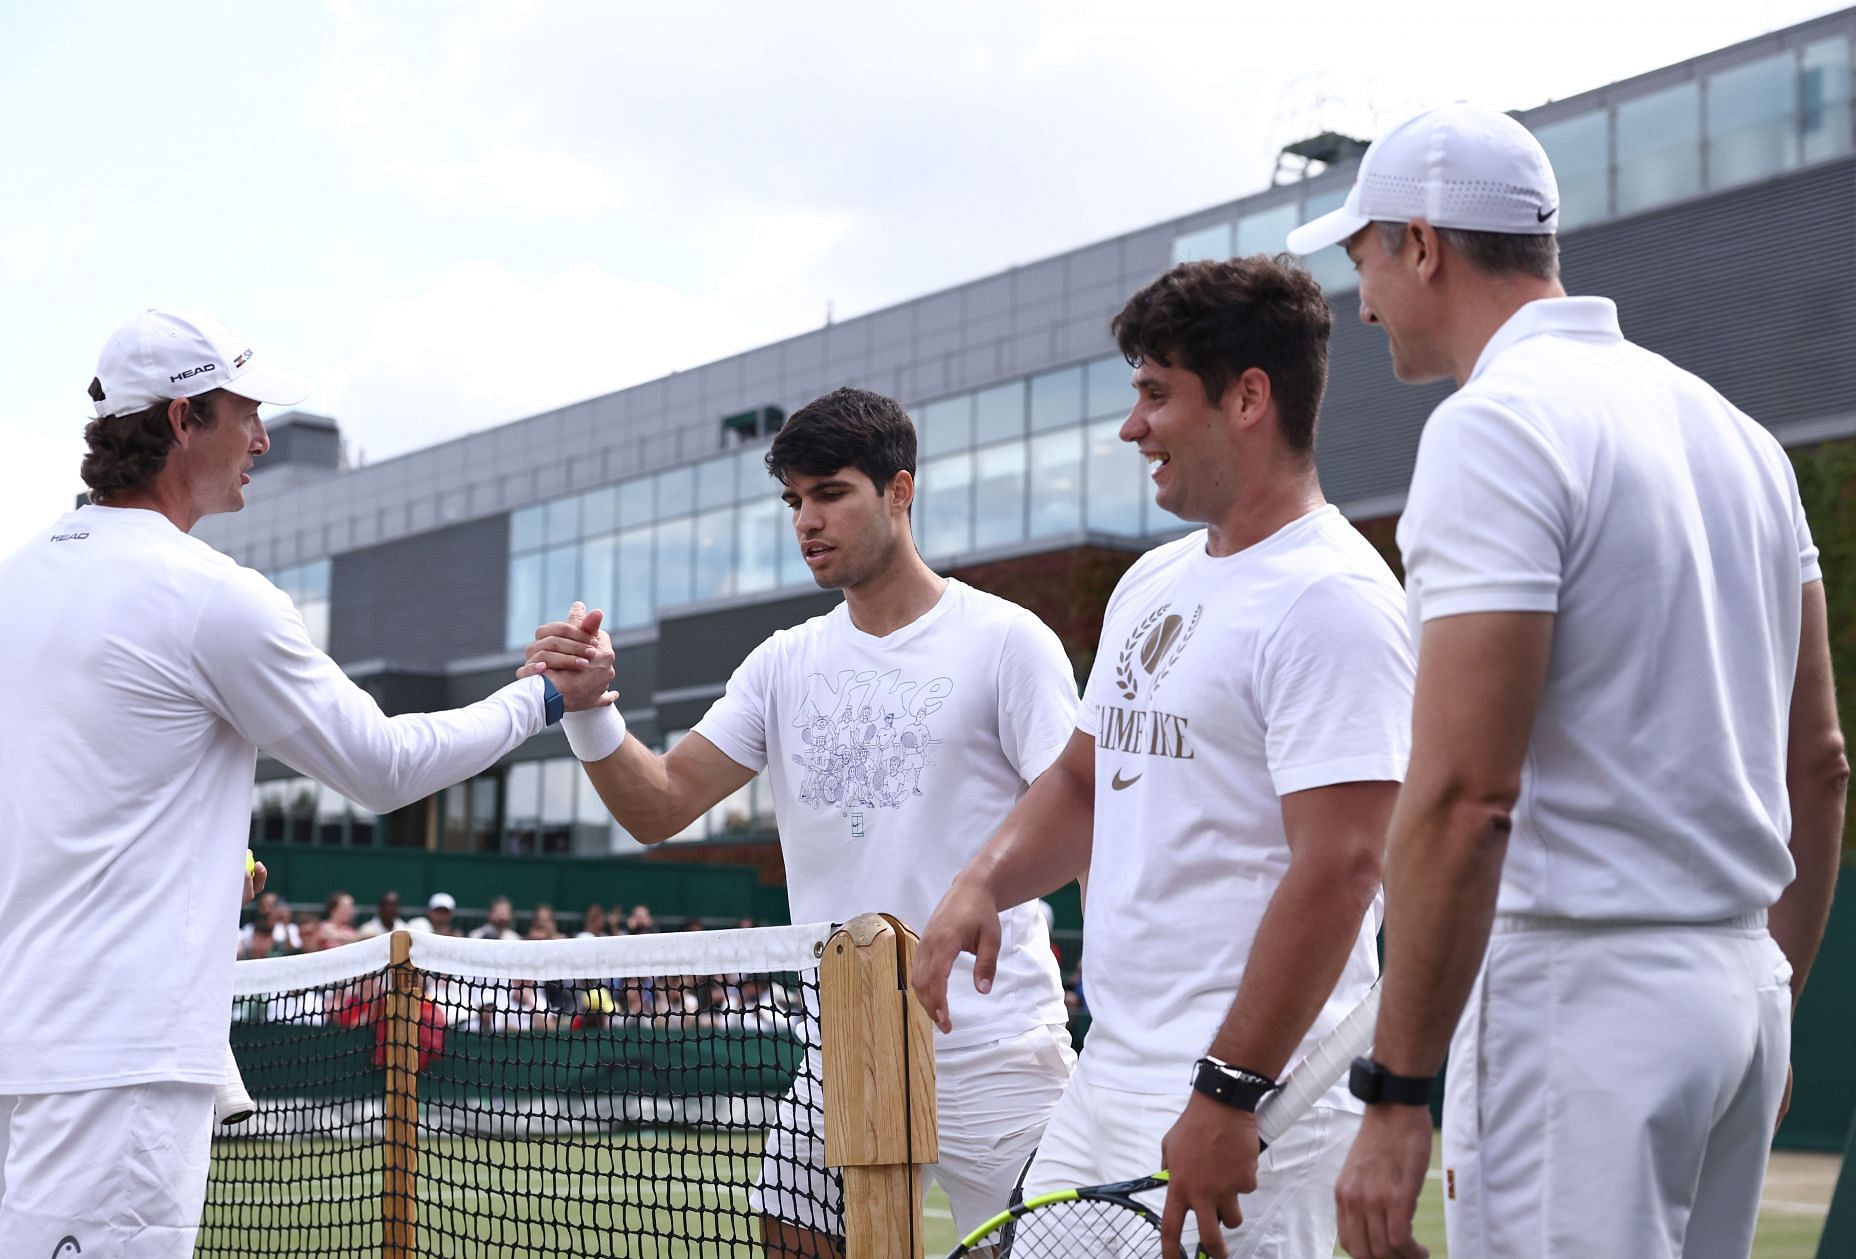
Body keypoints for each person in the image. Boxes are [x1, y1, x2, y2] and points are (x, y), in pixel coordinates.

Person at [1283, 104, 1848, 1259]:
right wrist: (1773, 992)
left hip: (1586, 1000)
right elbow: (1822, 764)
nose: (1364, 298)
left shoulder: (1496, 426)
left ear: (1424, 243)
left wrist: (1397, 1091)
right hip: (1741, 995)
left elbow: (1464, 795)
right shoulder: (1742, 438)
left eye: (1364, 258)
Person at [0, 308, 570, 1256]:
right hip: (121, 1055)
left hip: (13, 1050)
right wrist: (541, 698)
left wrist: (136, 865)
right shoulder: (212, 597)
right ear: (184, 419)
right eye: (246, 412)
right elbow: (383, 766)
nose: (263, 438)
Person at [915, 255, 1416, 1259]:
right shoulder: (1153, 580)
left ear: (1248, 397)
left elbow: (1343, 864)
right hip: (1105, 1079)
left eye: (1155, 393)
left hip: (1249, 1097)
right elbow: (1080, 779)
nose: (1130, 425)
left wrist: (1229, 1088)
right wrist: (982, 881)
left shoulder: (1335, 600)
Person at [523, 386, 1081, 1253]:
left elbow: (1077, 817)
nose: (807, 519)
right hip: (843, 1051)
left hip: (996, 1048)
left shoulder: (1010, 641)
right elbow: (659, 805)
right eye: (794, 499)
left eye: (830, 493)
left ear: (900, 491)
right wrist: (590, 709)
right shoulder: (783, 662)